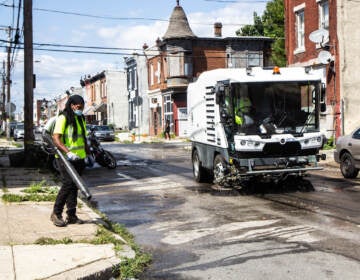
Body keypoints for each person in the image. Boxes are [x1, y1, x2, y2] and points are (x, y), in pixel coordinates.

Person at [50, 95, 90, 227]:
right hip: (65, 158)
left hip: (79, 158)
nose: (80, 109)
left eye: (82, 107)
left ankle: (71, 215)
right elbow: (56, 138)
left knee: (74, 187)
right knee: (68, 184)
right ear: (72, 105)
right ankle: (56, 213)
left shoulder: (80, 118)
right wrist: (68, 152)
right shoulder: (63, 118)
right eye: (78, 107)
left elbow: (82, 137)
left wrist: (88, 153)